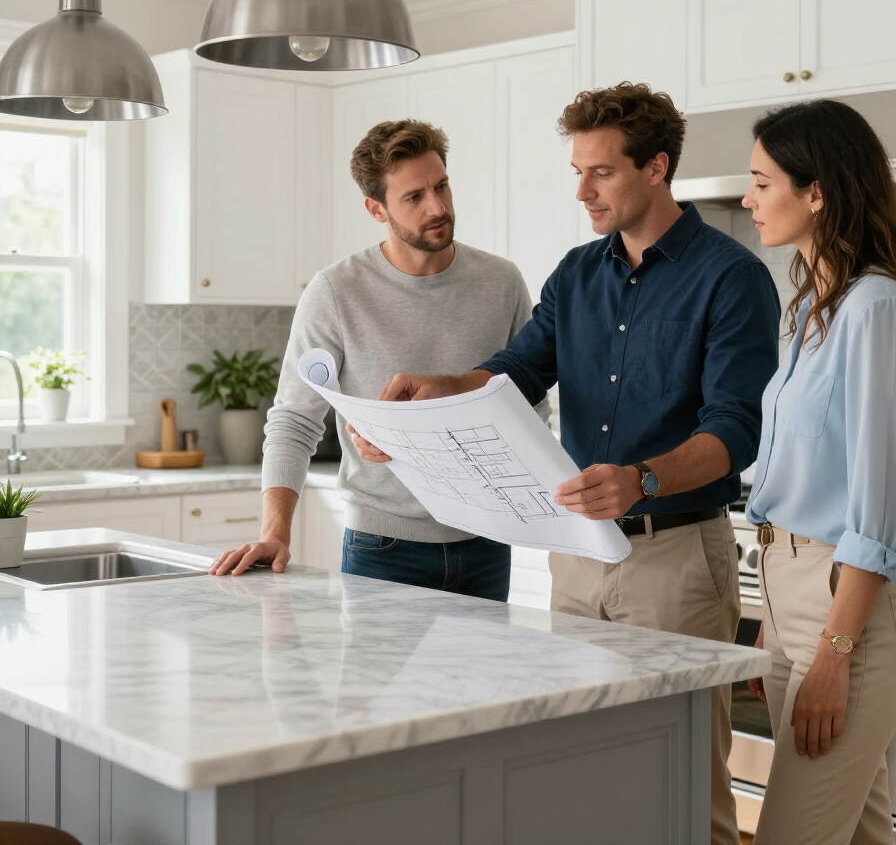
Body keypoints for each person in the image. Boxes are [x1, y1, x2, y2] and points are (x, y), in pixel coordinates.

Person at [352, 83, 782, 845]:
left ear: (656, 168)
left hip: (677, 558)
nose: (582, 190)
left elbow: (734, 430)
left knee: (688, 776)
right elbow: (517, 370)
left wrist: (642, 478)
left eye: (602, 172)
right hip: (578, 558)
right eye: (577, 170)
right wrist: (440, 389)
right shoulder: (577, 273)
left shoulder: (730, 276)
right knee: (584, 764)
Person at [210, 118, 545, 602]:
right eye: (414, 197)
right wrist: (276, 532)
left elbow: (528, 403)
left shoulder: (501, 281)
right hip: (384, 548)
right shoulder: (336, 291)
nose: (437, 207)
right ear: (375, 208)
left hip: (487, 543)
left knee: (487, 680)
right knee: (378, 682)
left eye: (442, 186)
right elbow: (294, 420)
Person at [740, 100, 896, 845]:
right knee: (856, 833)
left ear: (818, 191)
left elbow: (883, 504)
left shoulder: (874, 309)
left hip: (848, 615)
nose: (748, 198)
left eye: (763, 182)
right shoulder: (809, 310)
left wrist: (834, 650)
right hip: (790, 592)